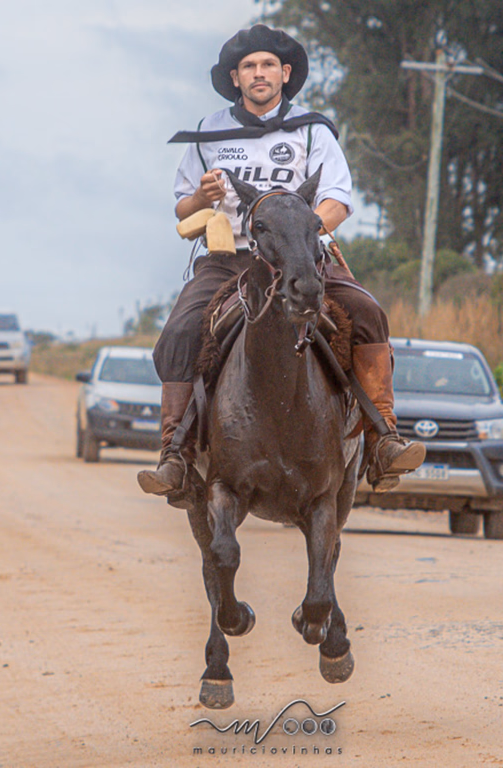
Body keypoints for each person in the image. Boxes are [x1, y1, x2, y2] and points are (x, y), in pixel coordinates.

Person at [137, 24, 424, 499]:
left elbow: (337, 200)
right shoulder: (208, 132)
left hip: (303, 256)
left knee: (369, 312)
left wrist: (301, 234)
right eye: (249, 66)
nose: (259, 73)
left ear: (285, 73)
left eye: (268, 64)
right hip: (230, 259)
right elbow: (183, 208)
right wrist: (202, 196)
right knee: (179, 331)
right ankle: (176, 455)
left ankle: (383, 440)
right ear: (235, 78)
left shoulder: (312, 129)